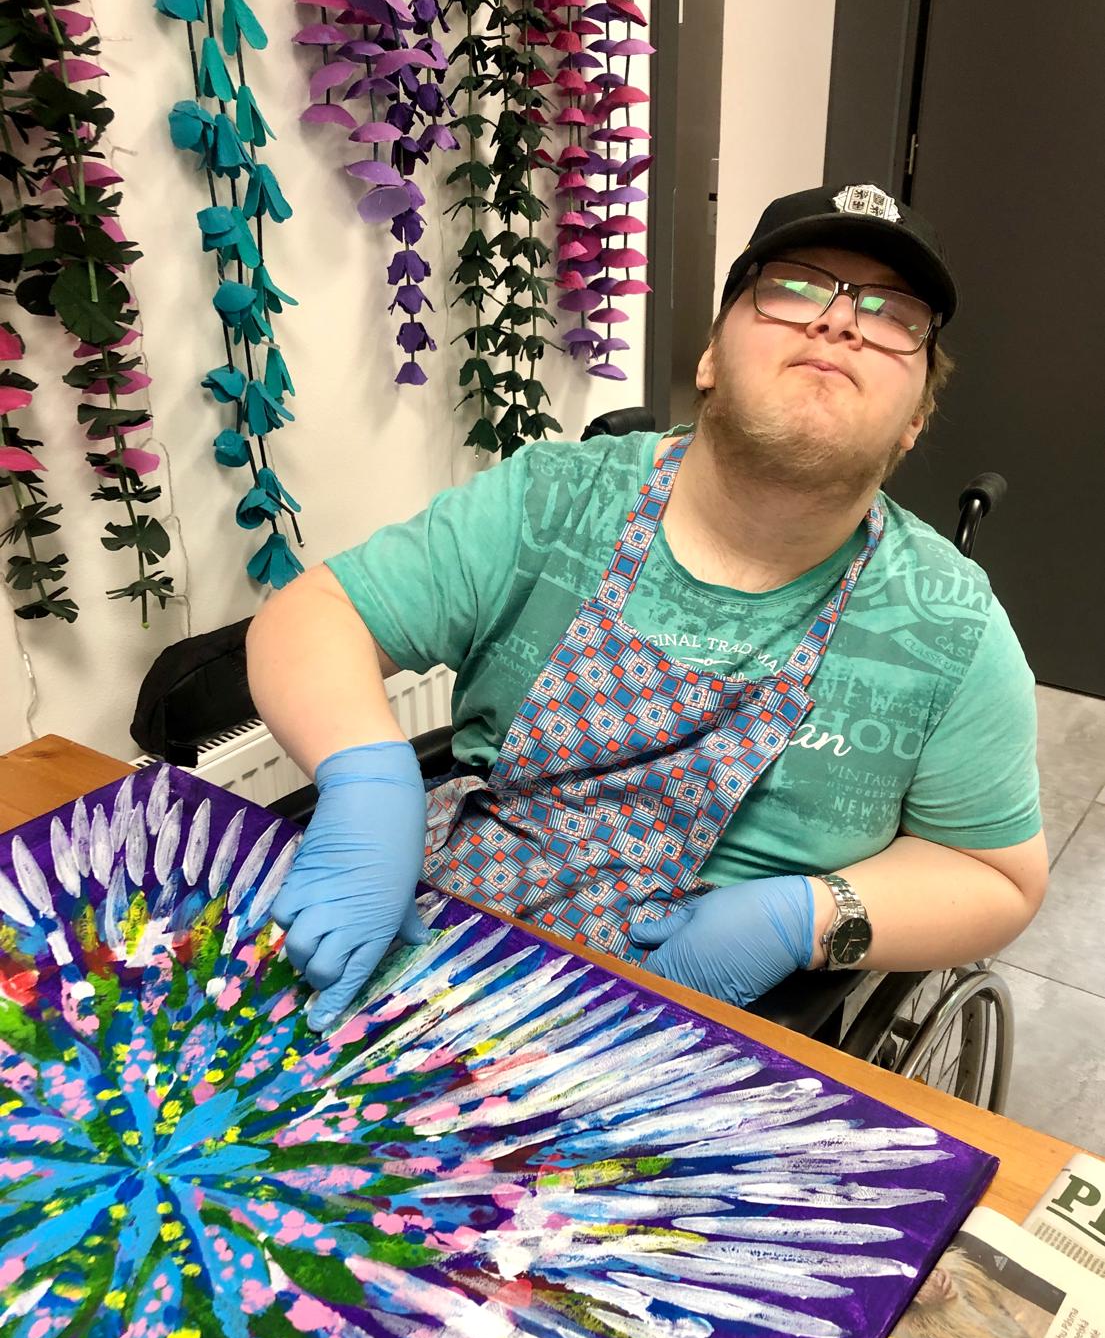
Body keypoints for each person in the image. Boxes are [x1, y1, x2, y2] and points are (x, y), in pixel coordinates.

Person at [248, 179, 1047, 1033]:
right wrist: (367, 781)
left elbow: (994, 876)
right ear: (708, 360)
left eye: (891, 315)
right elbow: (319, 614)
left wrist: (804, 918)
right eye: (793, 288)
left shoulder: (950, 626)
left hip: (683, 1019)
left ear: (914, 420)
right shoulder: (549, 503)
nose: (839, 321)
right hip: (437, 925)